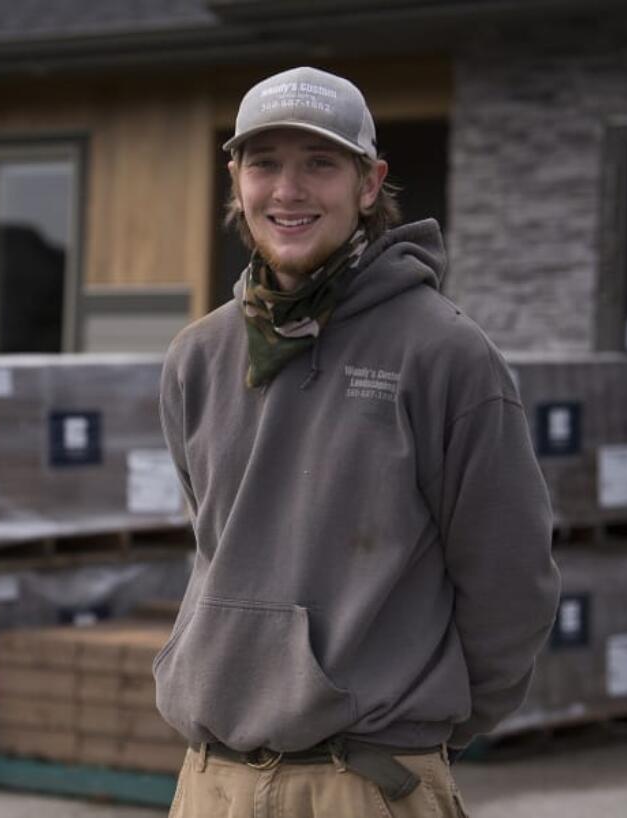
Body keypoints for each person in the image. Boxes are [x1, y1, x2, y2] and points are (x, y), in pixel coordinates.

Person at [153, 65, 561, 817]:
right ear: (235, 178)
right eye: (265, 162)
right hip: (210, 782)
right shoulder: (199, 357)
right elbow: (217, 542)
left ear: (369, 184)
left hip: (368, 780)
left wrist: (427, 730)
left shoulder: (445, 355)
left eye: (320, 163)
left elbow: (511, 580)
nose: (288, 190)